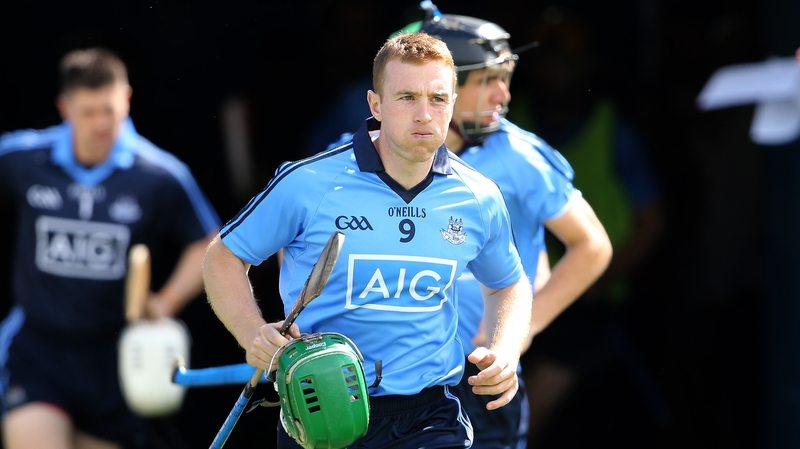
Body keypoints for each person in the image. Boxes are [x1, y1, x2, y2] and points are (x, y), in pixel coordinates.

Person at [203, 31, 534, 448]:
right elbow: (223, 257)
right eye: (407, 97)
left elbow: (508, 283)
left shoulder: (479, 196)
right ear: (376, 105)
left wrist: (506, 349)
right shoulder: (308, 183)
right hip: (323, 412)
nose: (424, 114)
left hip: (432, 418)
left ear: (452, 104)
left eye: (437, 99)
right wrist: (251, 332)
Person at [373, 4, 612, 448]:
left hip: (479, 376)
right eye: (489, 80)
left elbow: (592, 245)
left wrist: (523, 329)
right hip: (389, 376)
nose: (504, 94)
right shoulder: (374, 151)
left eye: (506, 78)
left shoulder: (520, 157)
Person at [0, 48, 220, 449]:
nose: (101, 123)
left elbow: (209, 243)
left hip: (116, 360)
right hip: (38, 352)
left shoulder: (159, 174)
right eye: (88, 112)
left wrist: (167, 301)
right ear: (65, 107)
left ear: (128, 99)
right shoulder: (20, 158)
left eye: (110, 110)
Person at [507, 7, 666, 446]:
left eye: (567, 59)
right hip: (515, 301)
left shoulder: (614, 130)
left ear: (588, 65)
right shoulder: (509, 128)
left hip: (594, 305)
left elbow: (652, 222)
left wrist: (601, 280)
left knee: (545, 416)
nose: (556, 70)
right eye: (547, 59)